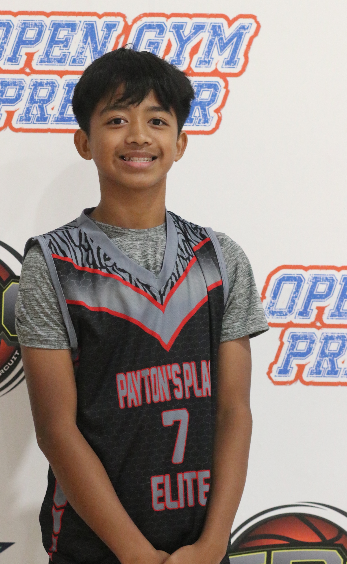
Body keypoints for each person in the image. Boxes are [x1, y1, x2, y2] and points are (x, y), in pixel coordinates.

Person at [16, 47, 269, 564]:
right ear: (84, 141)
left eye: (157, 120)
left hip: (198, 545)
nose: (137, 136)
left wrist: (213, 544)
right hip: (95, 546)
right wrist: (134, 553)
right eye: (116, 120)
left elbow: (234, 411)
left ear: (180, 142)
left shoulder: (220, 259)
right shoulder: (53, 263)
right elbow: (56, 430)